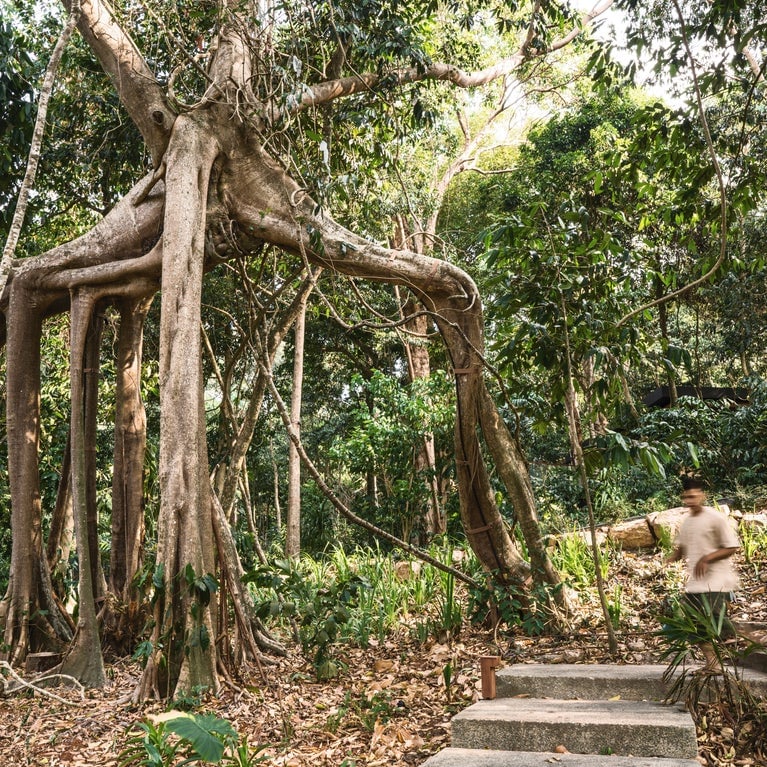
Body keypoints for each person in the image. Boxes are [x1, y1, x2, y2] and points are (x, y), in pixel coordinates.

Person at [666, 477, 740, 669]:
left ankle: (749, 636)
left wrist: (707, 558)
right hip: (696, 584)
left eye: (693, 496)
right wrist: (671, 557)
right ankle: (713, 664)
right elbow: (681, 547)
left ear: (702, 495)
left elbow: (731, 547)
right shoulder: (688, 522)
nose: (690, 501)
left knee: (717, 624)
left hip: (716, 582)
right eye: (686, 497)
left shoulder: (715, 517)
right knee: (695, 627)